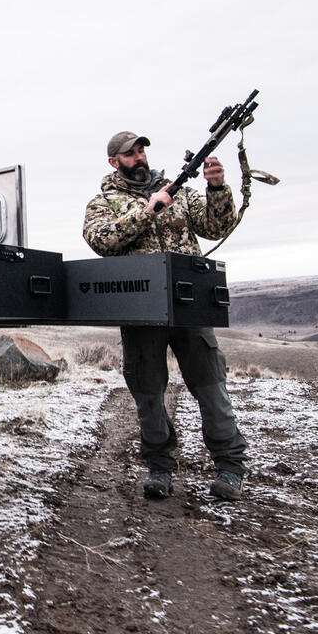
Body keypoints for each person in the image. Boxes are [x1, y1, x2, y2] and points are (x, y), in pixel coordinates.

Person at [82, 130, 248, 501]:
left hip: (188, 303)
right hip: (141, 310)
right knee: (148, 393)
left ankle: (229, 467)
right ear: (114, 162)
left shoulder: (180, 191)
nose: (139, 157)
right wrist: (147, 210)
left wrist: (217, 189)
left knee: (210, 386)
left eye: (141, 150)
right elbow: (100, 240)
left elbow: (216, 227)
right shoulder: (102, 203)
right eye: (130, 154)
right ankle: (159, 467)